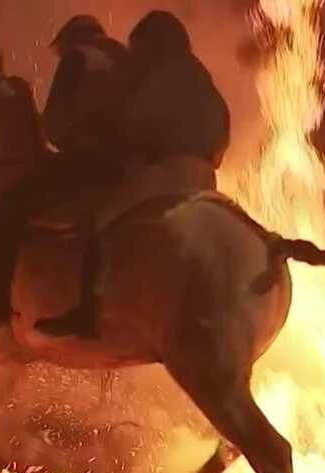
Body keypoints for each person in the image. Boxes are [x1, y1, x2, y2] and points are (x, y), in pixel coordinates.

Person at [34, 10, 231, 339]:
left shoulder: (161, 79)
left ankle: (86, 313)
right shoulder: (197, 75)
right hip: (206, 178)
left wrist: (97, 132)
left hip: (168, 173)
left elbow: (135, 125)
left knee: (100, 222)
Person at [0, 15, 130, 327]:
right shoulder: (125, 60)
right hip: (131, 165)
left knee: (7, 209)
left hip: (92, 163)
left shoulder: (78, 58)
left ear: (70, 42)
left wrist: (56, 139)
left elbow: (55, 125)